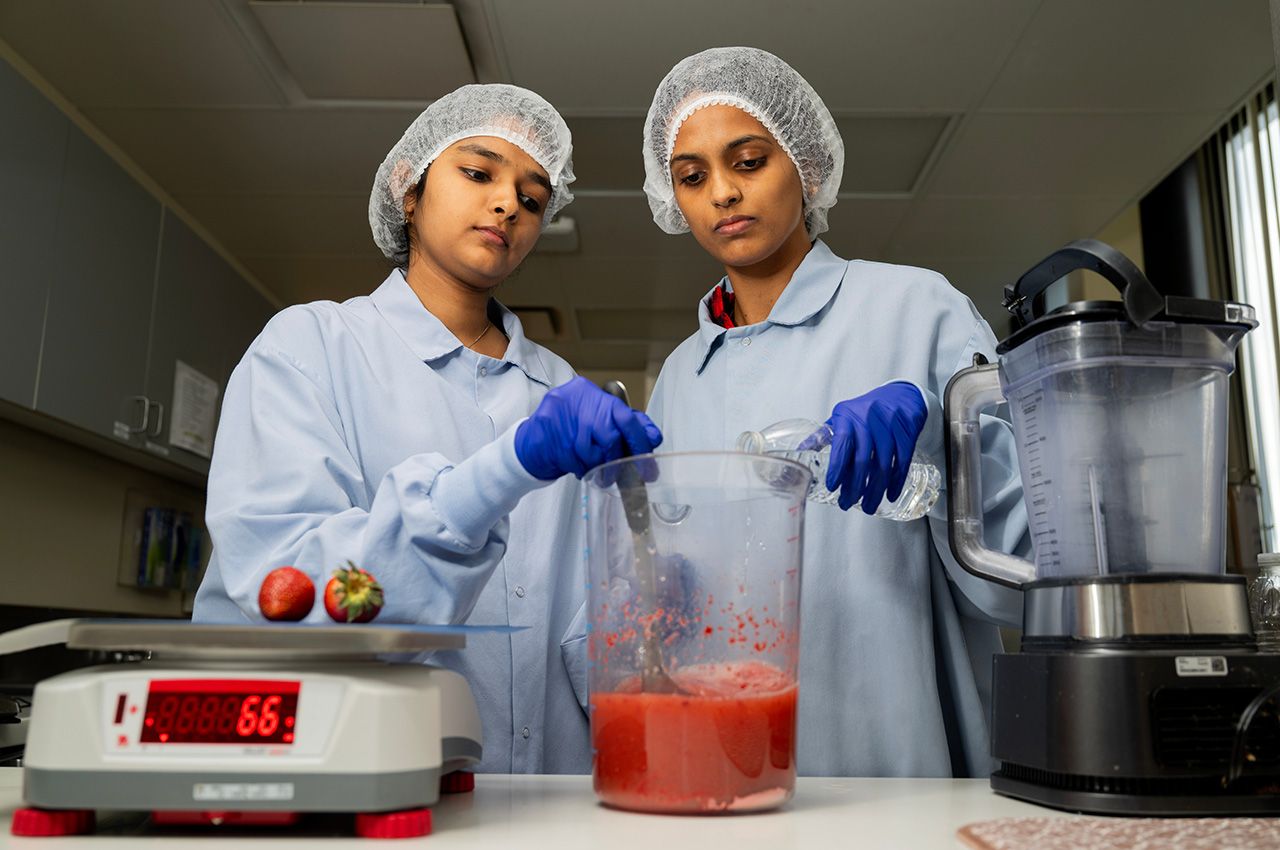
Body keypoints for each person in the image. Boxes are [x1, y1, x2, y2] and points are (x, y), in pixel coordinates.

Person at [193, 84, 661, 774]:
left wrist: (654, 584)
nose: (507, 204)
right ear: (408, 191)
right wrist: (500, 473)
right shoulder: (309, 348)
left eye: (532, 199)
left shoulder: (561, 389)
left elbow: (592, 633)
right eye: (477, 172)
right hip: (365, 787)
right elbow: (291, 594)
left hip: (547, 801)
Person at [641, 47, 1029, 777]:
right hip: (727, 770)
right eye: (691, 177)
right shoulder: (681, 379)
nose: (722, 192)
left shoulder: (916, 309)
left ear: (809, 167)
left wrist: (941, 440)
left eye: (748, 161)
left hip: (898, 766)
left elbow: (1027, 578)